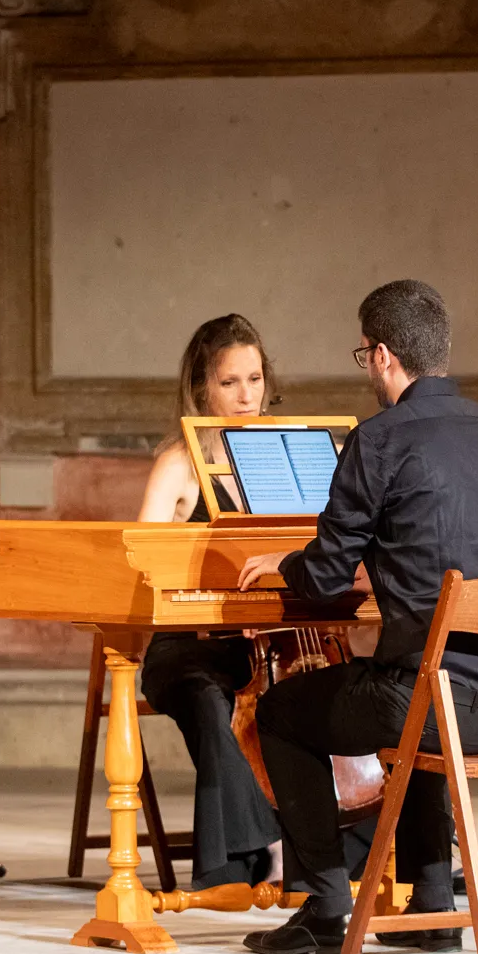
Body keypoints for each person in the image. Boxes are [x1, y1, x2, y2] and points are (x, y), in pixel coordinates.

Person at [235, 280, 478, 954]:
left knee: (285, 713)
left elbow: (322, 578)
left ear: (380, 355)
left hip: (436, 706)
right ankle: (433, 905)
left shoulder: (378, 441)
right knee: (417, 685)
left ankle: (324, 907)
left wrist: (289, 562)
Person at [135, 315, 283, 890]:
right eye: (230, 383)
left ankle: (355, 845)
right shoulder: (178, 463)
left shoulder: (278, 454)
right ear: (202, 389)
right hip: (188, 643)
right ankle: (265, 843)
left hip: (269, 642)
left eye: (255, 378)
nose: (248, 396)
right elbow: (141, 564)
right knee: (206, 700)